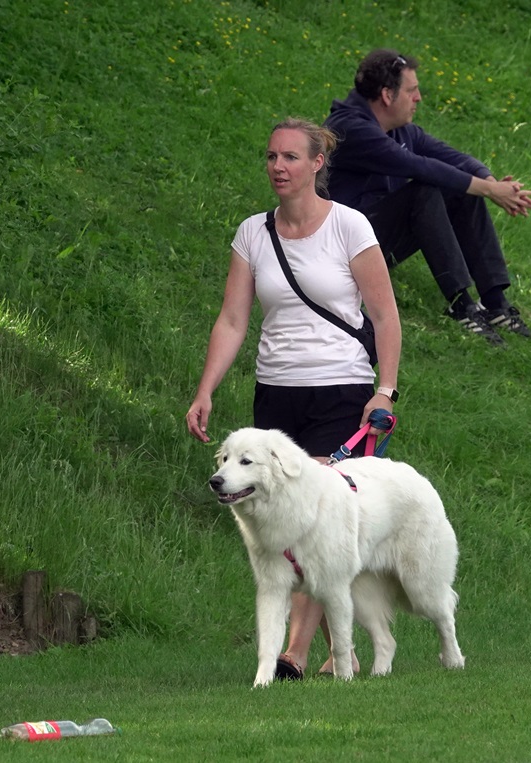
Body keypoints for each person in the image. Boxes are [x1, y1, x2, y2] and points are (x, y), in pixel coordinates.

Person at [185, 117, 402, 679]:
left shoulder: (349, 227)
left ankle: (295, 654)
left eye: (290, 157)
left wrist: (384, 390)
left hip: (341, 391)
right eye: (271, 157)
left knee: (318, 523)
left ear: (316, 164)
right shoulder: (253, 234)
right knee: (291, 524)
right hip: (276, 398)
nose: (278, 167)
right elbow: (233, 320)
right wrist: (205, 389)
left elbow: (384, 315)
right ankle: (340, 649)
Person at [323, 48, 531, 347]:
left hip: (374, 239)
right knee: (424, 190)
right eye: (411, 90)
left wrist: (490, 182)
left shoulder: (402, 132)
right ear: (387, 95)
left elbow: (453, 158)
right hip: (342, 248)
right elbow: (417, 166)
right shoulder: (350, 129)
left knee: (458, 186)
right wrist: (489, 190)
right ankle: (461, 305)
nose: (419, 98)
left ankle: (495, 303)